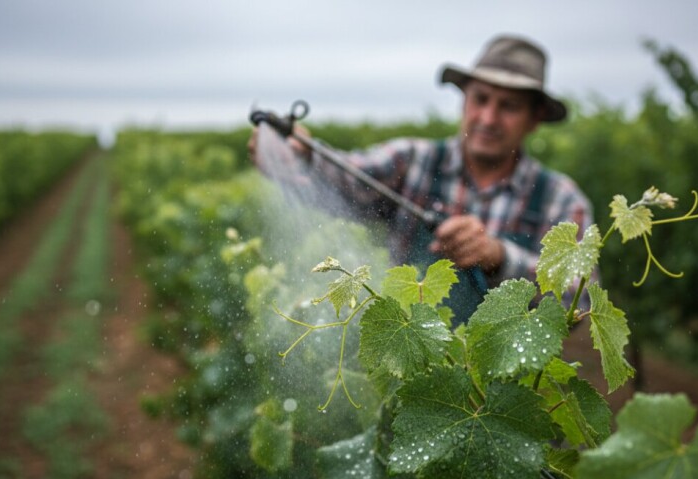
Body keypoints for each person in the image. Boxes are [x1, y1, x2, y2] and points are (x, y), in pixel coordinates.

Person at [249, 35, 594, 325]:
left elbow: (578, 303)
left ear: (534, 119)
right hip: (408, 360)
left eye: (509, 106)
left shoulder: (560, 200)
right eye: (480, 99)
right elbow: (347, 175)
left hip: (508, 385)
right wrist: (304, 154)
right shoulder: (414, 161)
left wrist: (500, 258)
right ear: (464, 100)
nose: (488, 118)